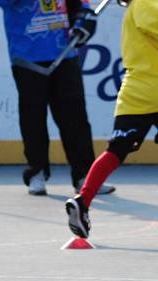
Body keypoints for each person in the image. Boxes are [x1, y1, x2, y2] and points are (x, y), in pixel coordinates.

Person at [0, 0, 116, 196]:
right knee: (33, 118)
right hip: (28, 58)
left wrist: (83, 23)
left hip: (65, 53)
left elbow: (81, 6)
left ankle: (85, 177)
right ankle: (37, 172)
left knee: (75, 118)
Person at [66, 0, 158, 238]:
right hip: (154, 87)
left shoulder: (136, 7)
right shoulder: (146, 4)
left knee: (116, 150)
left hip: (135, 91)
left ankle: (83, 200)